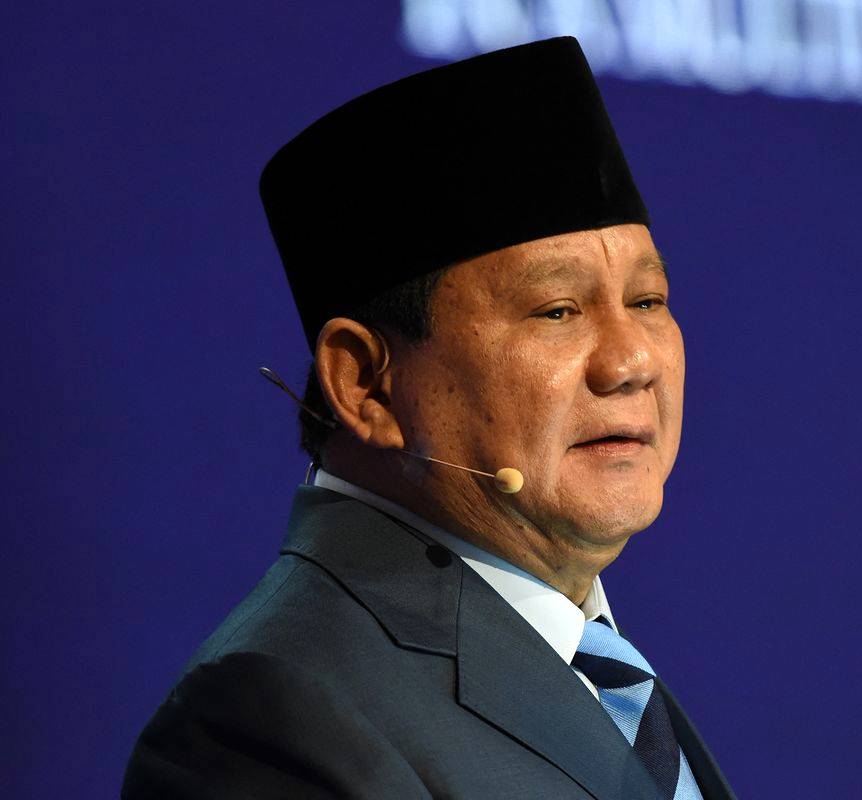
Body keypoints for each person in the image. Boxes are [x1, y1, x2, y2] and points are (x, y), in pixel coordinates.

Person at [122, 37, 734, 799]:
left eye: (647, 301)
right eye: (556, 310)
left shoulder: (602, 670)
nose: (632, 360)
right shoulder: (270, 718)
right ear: (366, 386)